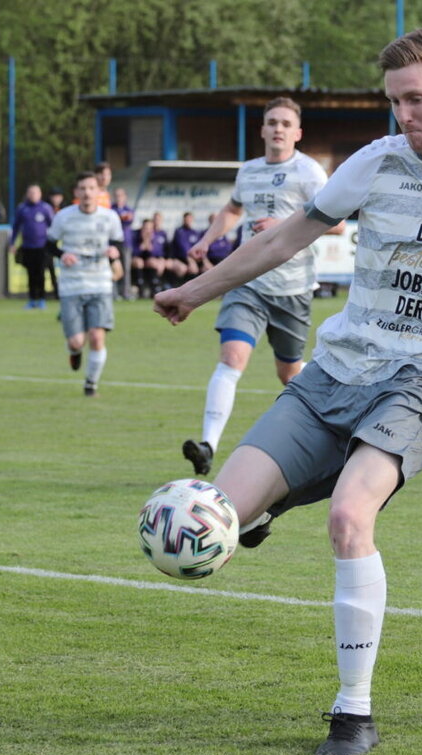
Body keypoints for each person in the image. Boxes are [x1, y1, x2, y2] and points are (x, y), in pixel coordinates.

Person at [154, 27, 422, 755]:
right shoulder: (375, 162)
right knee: (217, 518)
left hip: (414, 381)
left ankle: (352, 712)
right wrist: (196, 292)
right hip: (332, 375)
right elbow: (280, 241)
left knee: (350, 515)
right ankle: (270, 506)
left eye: (416, 99)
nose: (404, 115)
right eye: (394, 101)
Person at [179, 96, 343, 477]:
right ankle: (207, 445)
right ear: (262, 129)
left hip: (293, 288)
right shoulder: (248, 171)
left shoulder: (309, 172)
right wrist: (207, 238)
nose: (278, 129)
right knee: (232, 357)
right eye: (272, 122)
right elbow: (233, 209)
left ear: (297, 133)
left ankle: (330, 431)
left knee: (290, 374)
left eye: (286, 123)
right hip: (247, 280)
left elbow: (335, 222)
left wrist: (285, 226)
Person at [46, 171, 125, 396]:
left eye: (92, 188)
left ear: (99, 191)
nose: (87, 192)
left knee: (97, 337)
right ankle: (75, 350)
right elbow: (49, 244)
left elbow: (118, 243)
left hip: (100, 284)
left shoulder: (109, 217)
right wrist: (62, 255)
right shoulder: (64, 217)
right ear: (76, 192)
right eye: (83, 188)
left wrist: (113, 251)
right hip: (72, 285)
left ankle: (91, 384)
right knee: (76, 341)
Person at [10, 183, 57, 309]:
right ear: (27, 194)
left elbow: (53, 227)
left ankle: (42, 299)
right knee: (30, 274)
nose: (33, 195)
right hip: (27, 246)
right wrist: (12, 243)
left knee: (41, 273)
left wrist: (53, 244)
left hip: (42, 247)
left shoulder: (45, 208)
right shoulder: (22, 208)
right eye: (30, 193)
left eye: (35, 192)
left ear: (40, 194)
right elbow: (16, 227)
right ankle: (32, 299)